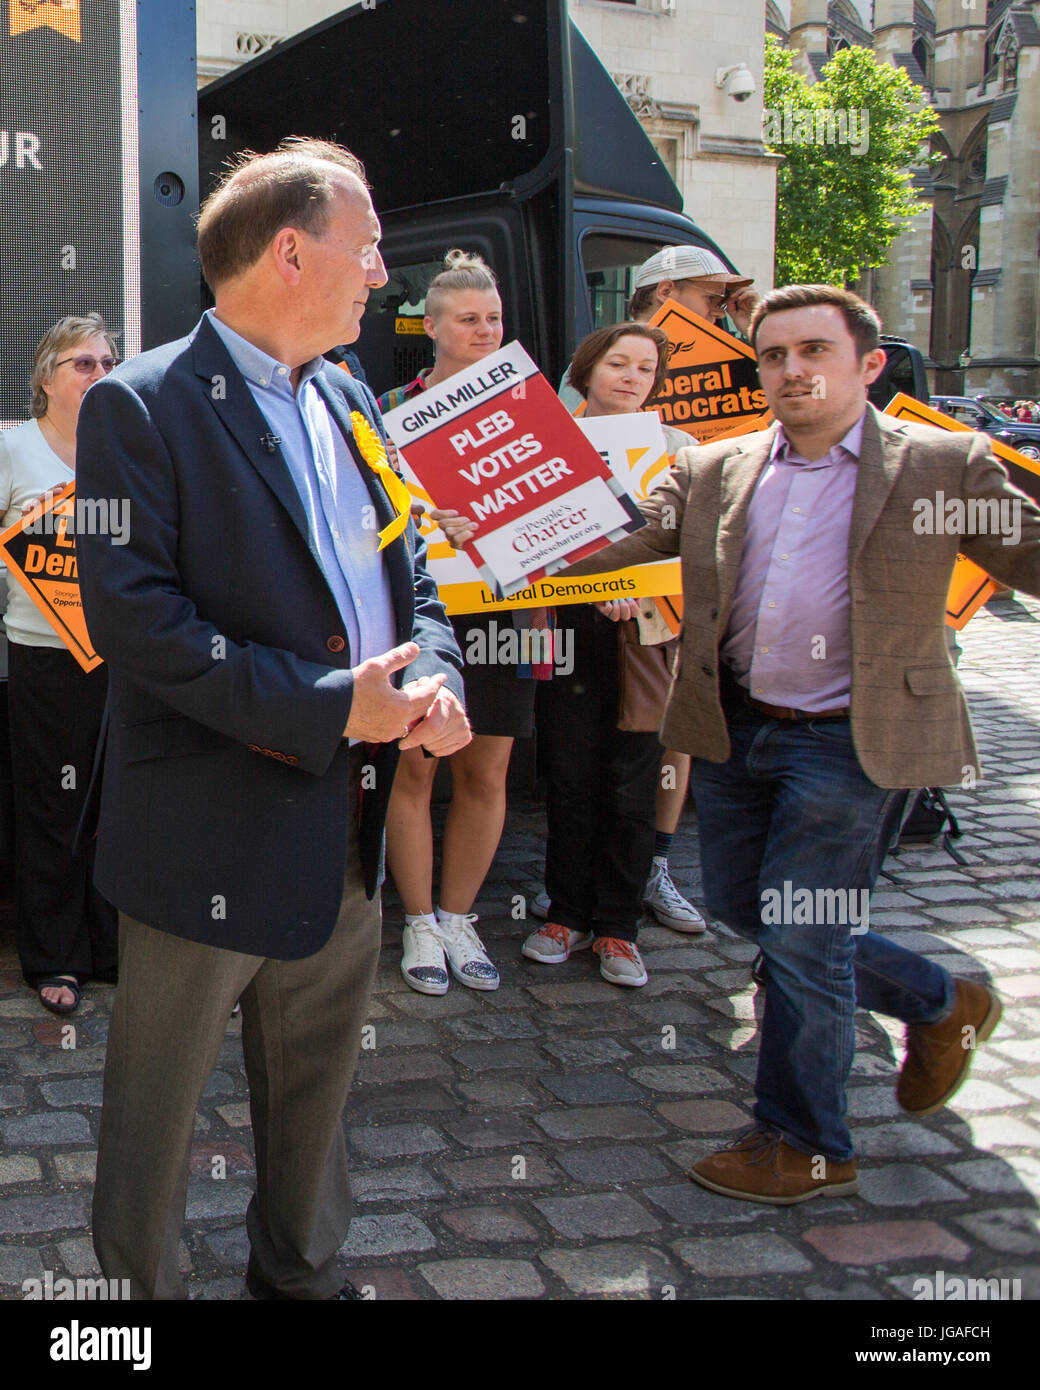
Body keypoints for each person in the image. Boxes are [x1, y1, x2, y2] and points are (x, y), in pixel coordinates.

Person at [75, 138, 469, 1300]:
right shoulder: (135, 407)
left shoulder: (350, 397)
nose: (382, 274)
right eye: (369, 249)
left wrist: (436, 675)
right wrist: (328, 704)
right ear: (291, 252)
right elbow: (138, 622)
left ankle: (298, 1278)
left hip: (339, 834)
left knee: (318, 1096)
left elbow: (418, 575)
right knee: (156, 1112)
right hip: (203, 827)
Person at [560, 283, 1040, 1201]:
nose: (791, 371)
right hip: (735, 730)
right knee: (753, 911)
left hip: (853, 742)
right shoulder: (715, 467)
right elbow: (621, 537)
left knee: (804, 936)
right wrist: (490, 544)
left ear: (867, 364)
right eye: (773, 356)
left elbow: (1029, 555)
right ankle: (944, 1003)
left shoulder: (945, 463)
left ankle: (806, 1140)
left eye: (812, 351)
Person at [439, 322, 679, 987]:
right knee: (568, 772)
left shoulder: (675, 448)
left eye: (645, 368)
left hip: (644, 637)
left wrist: (636, 590)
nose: (632, 377)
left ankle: (619, 928)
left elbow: (684, 545)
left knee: (632, 777)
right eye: (619, 363)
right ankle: (565, 913)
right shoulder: (541, 442)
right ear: (587, 369)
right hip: (560, 625)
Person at [376, 250, 536, 996]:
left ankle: (458, 916)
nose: (483, 329)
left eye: (494, 318)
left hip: (511, 608)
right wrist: (423, 513)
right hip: (424, 610)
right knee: (416, 763)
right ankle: (416, 920)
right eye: (468, 319)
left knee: (488, 767)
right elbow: (366, 516)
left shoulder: (533, 406)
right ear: (430, 326)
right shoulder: (385, 408)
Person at [0, 314, 120, 1014]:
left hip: (122, 657)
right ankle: (54, 956)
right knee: (54, 807)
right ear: (45, 378)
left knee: (116, 808)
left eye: (107, 363)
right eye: (82, 364)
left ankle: (107, 947)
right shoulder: (14, 451)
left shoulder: (125, 446)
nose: (99, 375)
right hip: (44, 657)